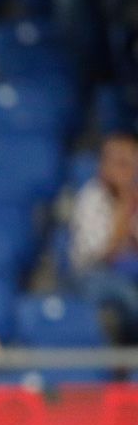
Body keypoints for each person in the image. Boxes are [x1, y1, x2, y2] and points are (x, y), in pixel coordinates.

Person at [69, 133, 138, 343]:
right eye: (116, 162)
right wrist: (125, 207)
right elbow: (105, 253)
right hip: (92, 274)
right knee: (131, 300)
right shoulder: (90, 198)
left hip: (130, 271)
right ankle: (126, 364)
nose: (123, 170)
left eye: (127, 163)